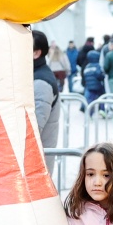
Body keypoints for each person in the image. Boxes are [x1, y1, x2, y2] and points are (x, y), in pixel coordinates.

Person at [31, 30, 62, 167]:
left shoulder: (41, 83)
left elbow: (34, 129)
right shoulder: (34, 75)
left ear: (36, 53)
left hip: (35, 163)